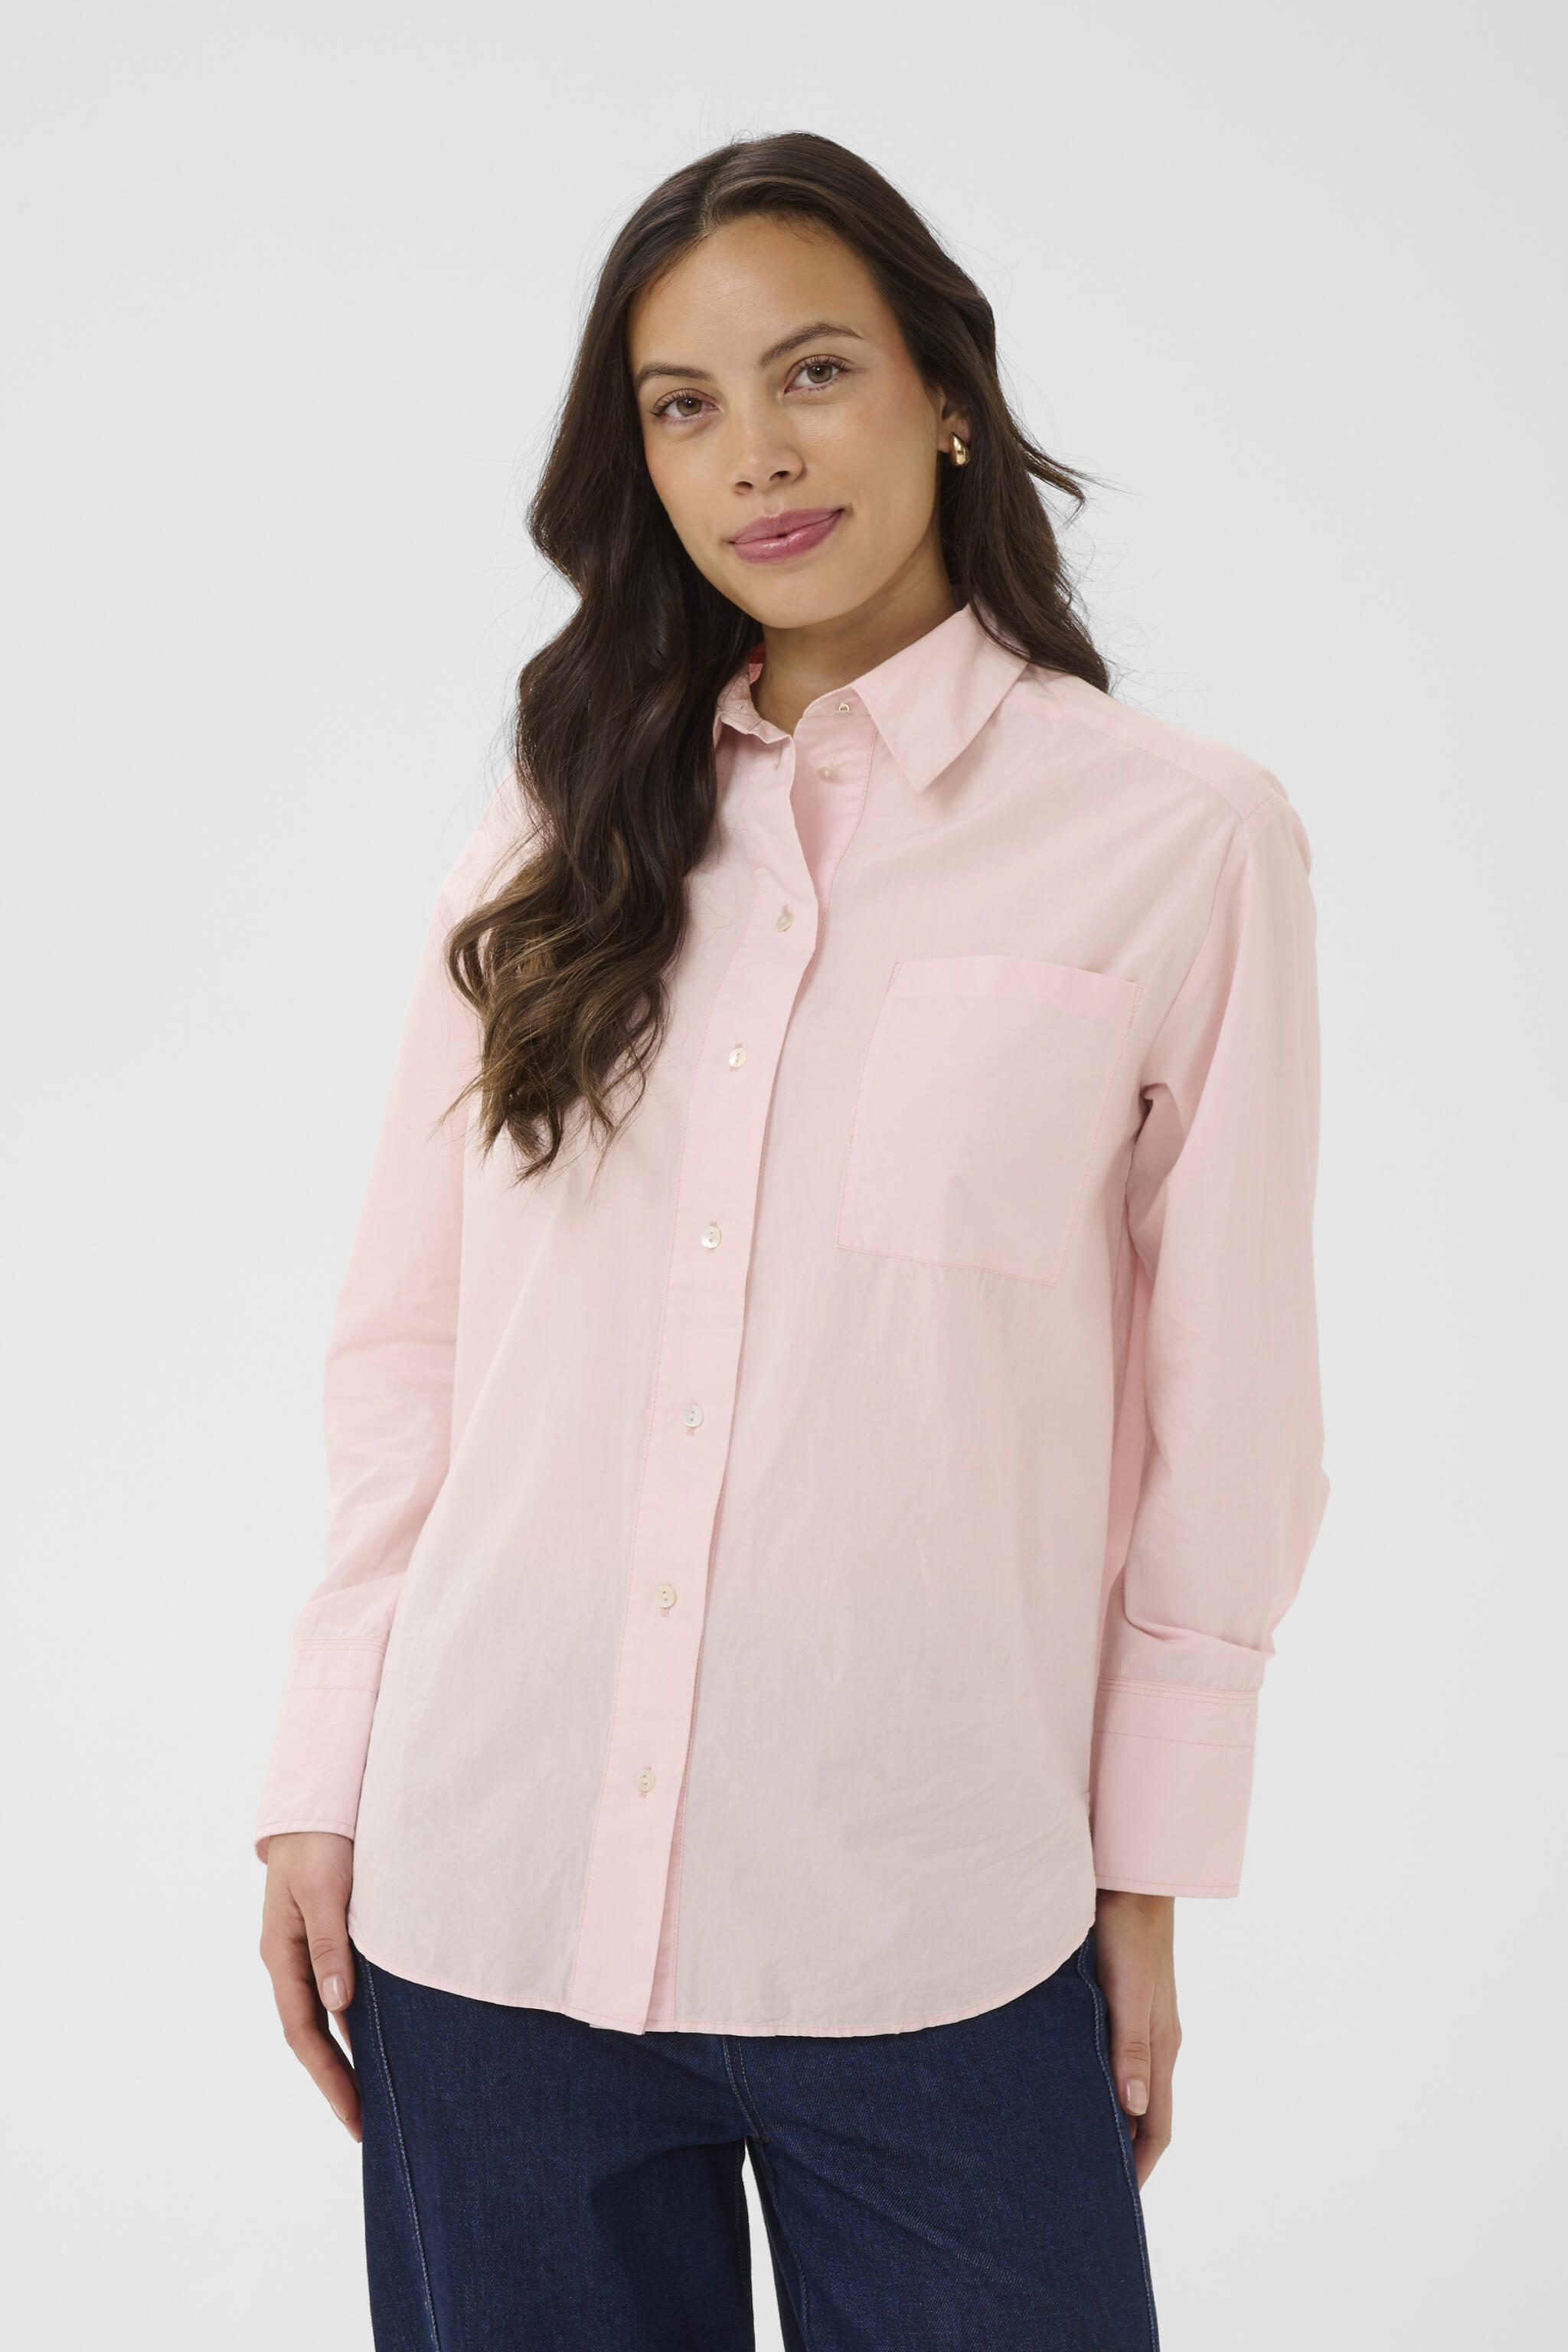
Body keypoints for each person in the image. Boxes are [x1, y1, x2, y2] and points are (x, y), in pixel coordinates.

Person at [255, 130, 1328, 2351]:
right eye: (684, 404)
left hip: (933, 1924)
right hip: (494, 1896)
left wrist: (1146, 1880)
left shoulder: (1179, 840)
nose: (754, 453)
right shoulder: (556, 825)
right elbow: (409, 1353)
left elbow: (1231, 1419)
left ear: (948, 393)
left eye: (814, 370)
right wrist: (316, 1781)